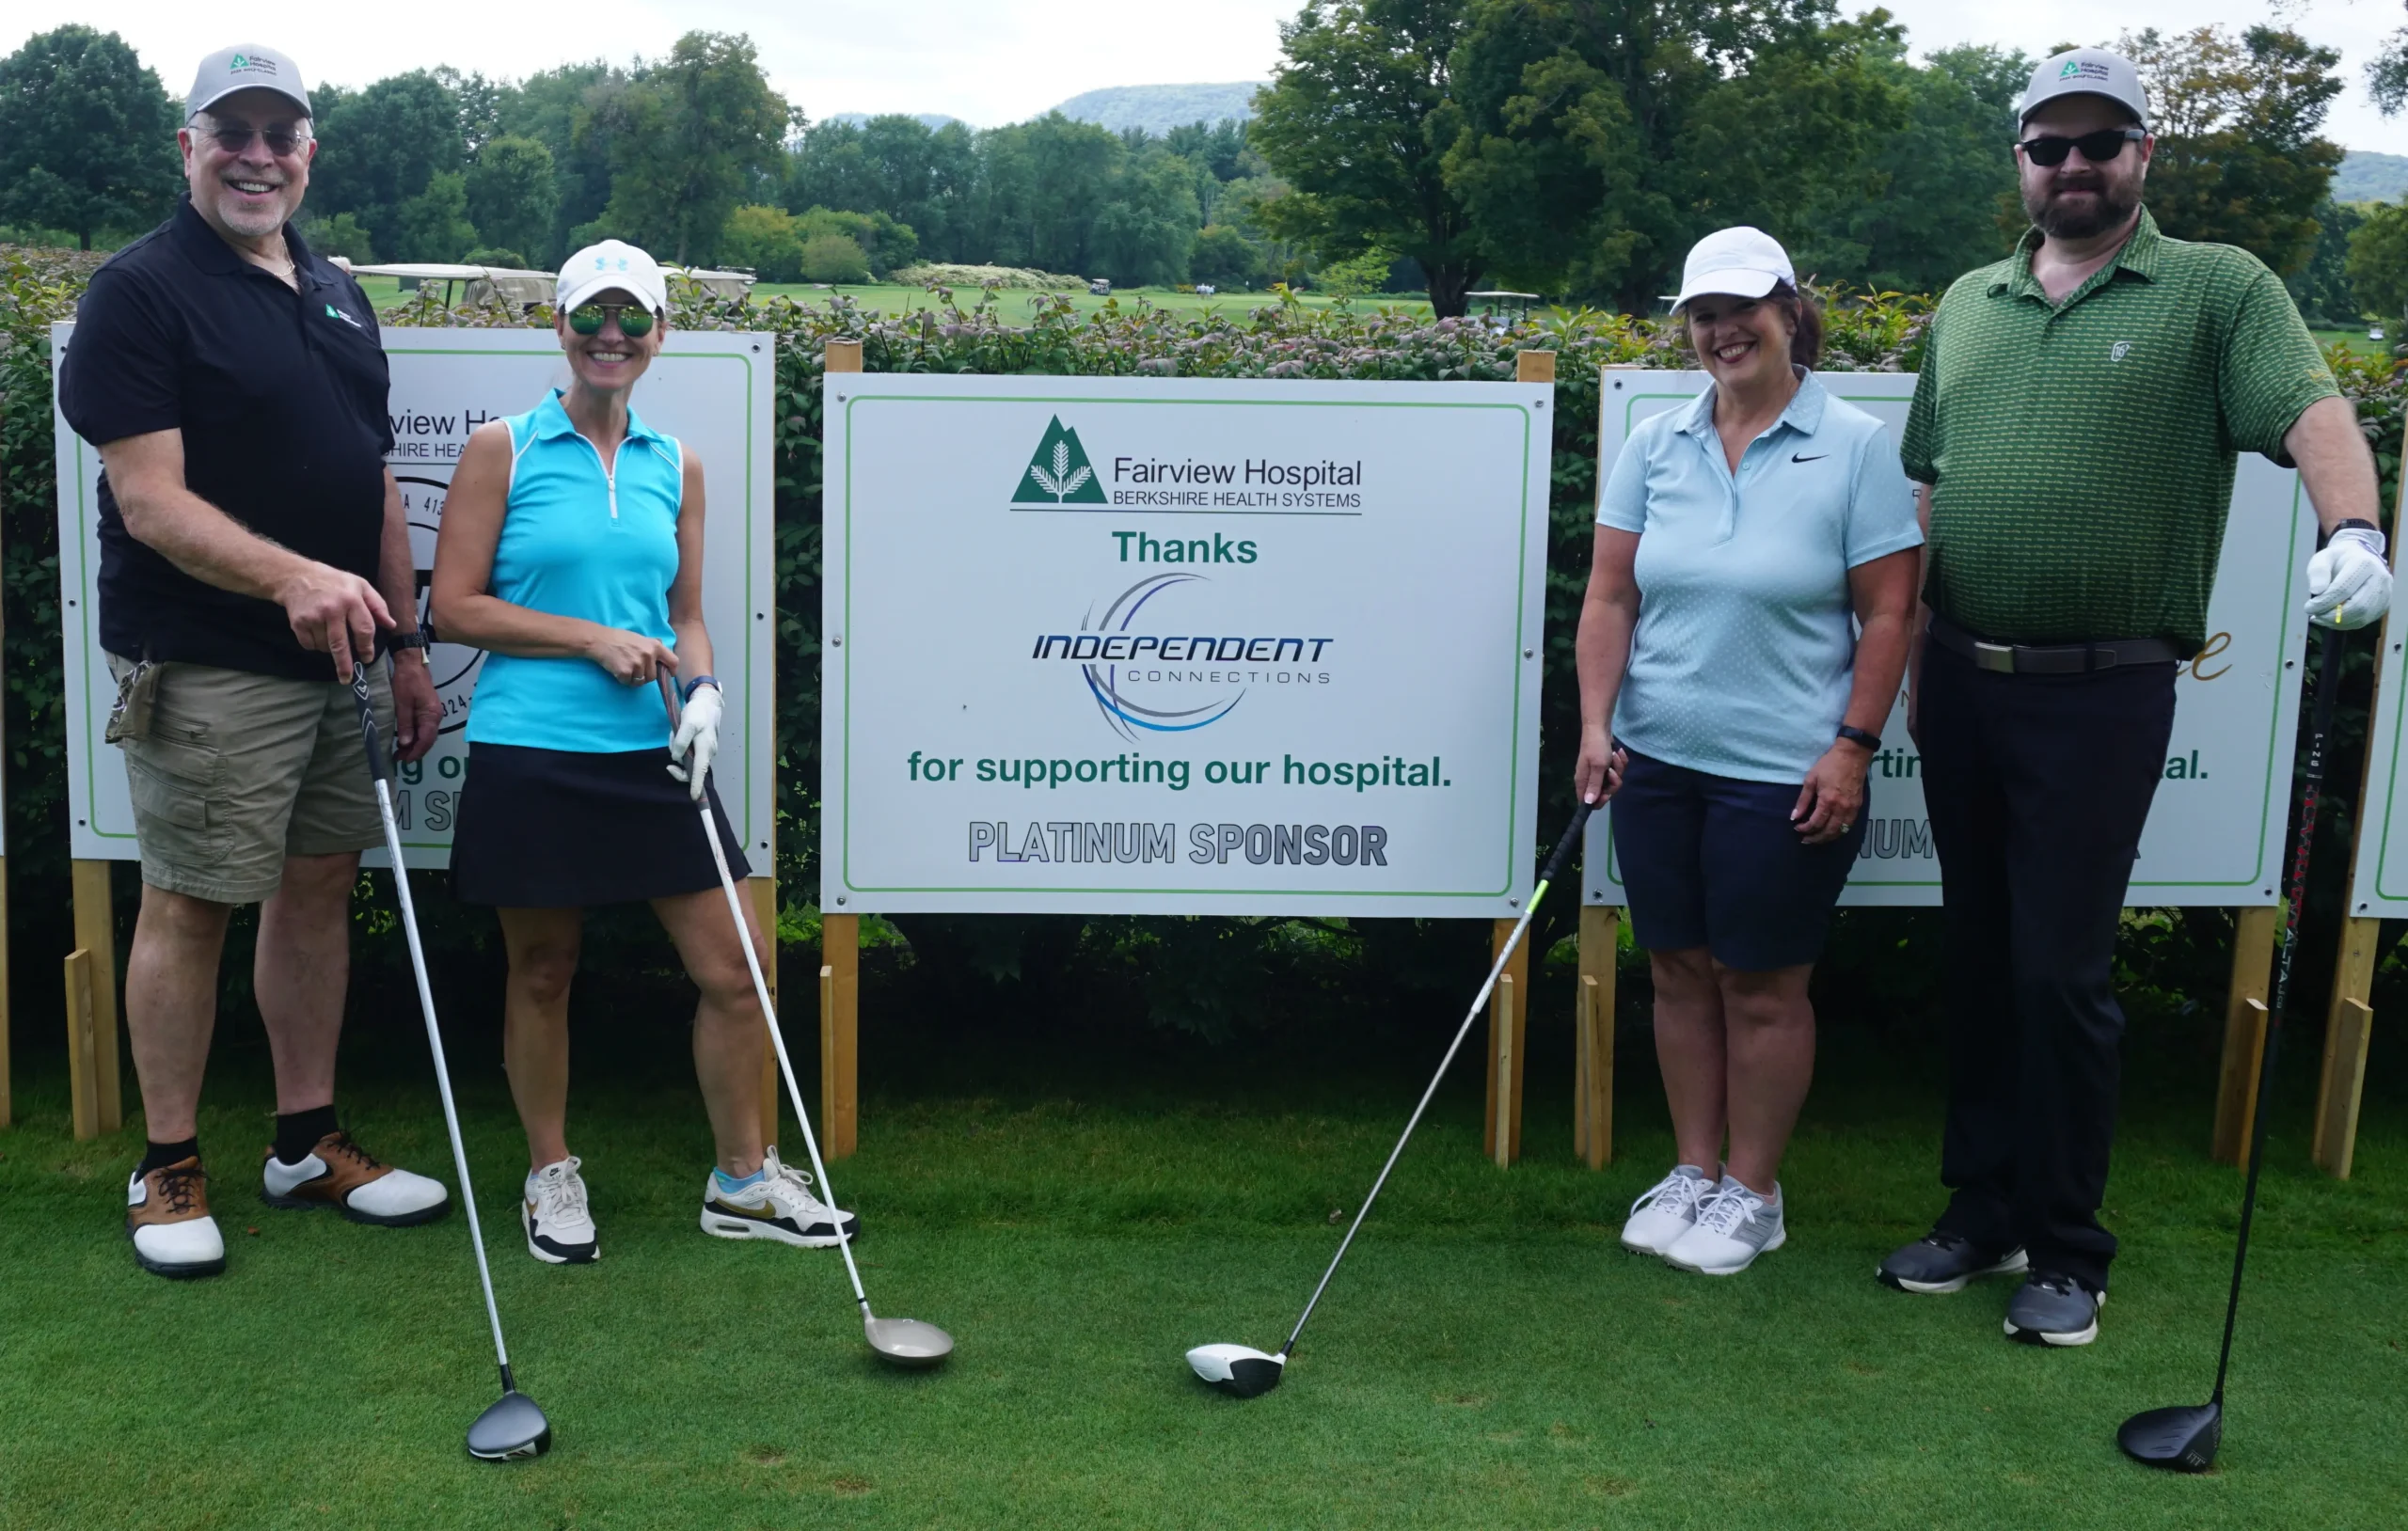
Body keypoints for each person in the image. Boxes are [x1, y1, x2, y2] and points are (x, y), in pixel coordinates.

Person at [1881, 49, 2392, 1346]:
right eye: (2048, 146)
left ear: (2142, 155)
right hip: (1963, 677)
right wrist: (1913, 648)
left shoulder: (2217, 287)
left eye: (2100, 142)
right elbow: (1932, 483)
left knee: (2059, 968)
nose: (2073, 165)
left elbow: (2315, 412)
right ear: (2020, 161)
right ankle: (1983, 1208)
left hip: (2101, 690)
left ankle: (2068, 1247)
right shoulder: (1972, 299)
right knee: (1980, 954)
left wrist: (2356, 529)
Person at [57, 42, 450, 1280]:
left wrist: (406, 645)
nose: (258, 157)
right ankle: (166, 1161)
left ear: (308, 156)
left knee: (320, 887)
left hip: (343, 655)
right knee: (191, 900)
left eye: (282, 136)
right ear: (189, 148)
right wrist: (291, 578)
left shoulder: (334, 289)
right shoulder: (141, 292)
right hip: (210, 654)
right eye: (233, 133)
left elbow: (370, 476)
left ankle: (303, 1139)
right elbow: (150, 502)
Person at [429, 240, 855, 1265]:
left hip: (655, 752)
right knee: (542, 970)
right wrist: (588, 638)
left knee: (738, 968)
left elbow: (685, 613)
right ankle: (550, 1173)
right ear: (561, 327)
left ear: (661, 333)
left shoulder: (677, 463)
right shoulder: (503, 448)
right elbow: (454, 607)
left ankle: (741, 1180)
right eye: (590, 316)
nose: (610, 335)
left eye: (631, 317)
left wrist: (702, 690)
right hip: (532, 746)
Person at [1576, 228, 1924, 1276]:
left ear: (1788, 312)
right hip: (1657, 757)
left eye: (1742, 311)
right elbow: (1610, 595)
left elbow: (1890, 611)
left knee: (1761, 985)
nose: (1723, 331)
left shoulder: (1855, 444)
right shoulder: (1657, 442)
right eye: (1703, 315)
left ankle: (1753, 1192)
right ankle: (1693, 1171)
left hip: (1785, 769)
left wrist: (1852, 747)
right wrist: (1596, 724)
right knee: (1679, 970)